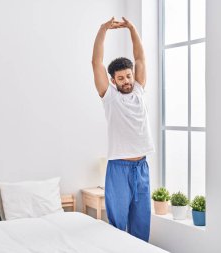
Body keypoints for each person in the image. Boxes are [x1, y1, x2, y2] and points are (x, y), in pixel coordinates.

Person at [91, 17, 155, 242]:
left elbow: (140, 57)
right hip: (119, 167)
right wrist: (103, 29)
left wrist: (132, 28)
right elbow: (96, 62)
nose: (127, 81)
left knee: (141, 222)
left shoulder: (138, 89)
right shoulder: (109, 97)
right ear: (113, 80)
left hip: (142, 167)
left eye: (128, 76)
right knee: (117, 224)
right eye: (121, 78)